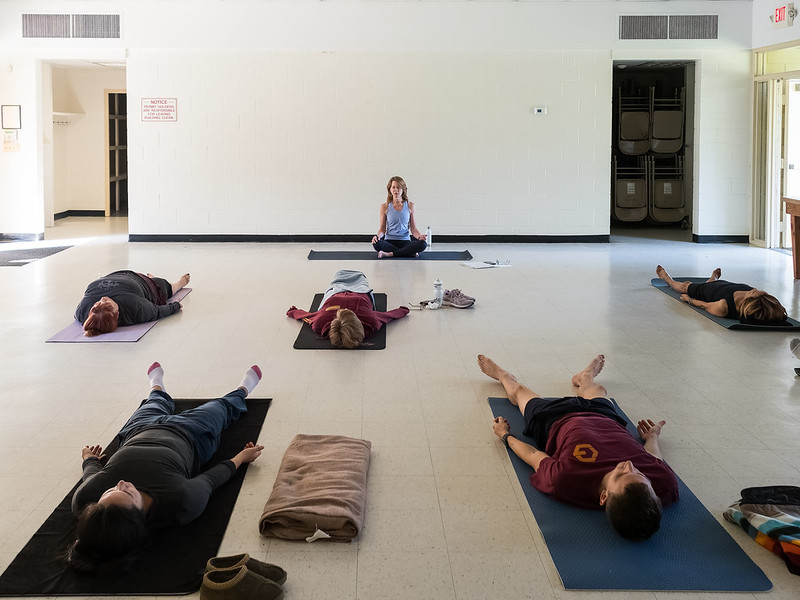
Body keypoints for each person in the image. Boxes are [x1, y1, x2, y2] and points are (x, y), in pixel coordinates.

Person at [69, 362, 265, 573]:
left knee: (153, 402)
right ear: (139, 516)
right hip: (192, 435)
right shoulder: (182, 502)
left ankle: (156, 385)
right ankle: (243, 388)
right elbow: (211, 479)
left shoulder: (86, 500)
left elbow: (90, 476)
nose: (120, 483)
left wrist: (89, 459)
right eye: (127, 493)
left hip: (138, 430)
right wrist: (241, 458)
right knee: (222, 407)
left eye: (110, 491)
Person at [478, 353, 678, 541]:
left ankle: (502, 375)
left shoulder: (565, 479)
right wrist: (652, 437)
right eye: (640, 473)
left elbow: (533, 455)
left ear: (603, 496)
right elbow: (655, 458)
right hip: (605, 417)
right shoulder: (663, 483)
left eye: (620, 474)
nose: (628, 464)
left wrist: (504, 435)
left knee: (519, 393)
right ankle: (585, 377)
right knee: (598, 390)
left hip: (553, 420)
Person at [286, 269, 409, 348]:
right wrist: (403, 310)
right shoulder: (371, 322)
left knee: (339, 275)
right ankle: (355, 276)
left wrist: (293, 312)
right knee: (360, 276)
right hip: (360, 290)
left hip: (336, 289)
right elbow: (387, 316)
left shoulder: (320, 323)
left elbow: (307, 317)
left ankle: (341, 276)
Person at [656, 265, 788, 325]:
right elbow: (777, 310)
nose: (754, 289)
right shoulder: (757, 297)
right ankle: (713, 278)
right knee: (712, 283)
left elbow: (705, 305)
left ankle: (667, 278)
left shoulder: (724, 307)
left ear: (751, 302)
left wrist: (689, 300)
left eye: (753, 293)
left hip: (710, 292)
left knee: (685, 286)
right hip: (727, 286)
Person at [75, 270, 191, 336]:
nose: (103, 299)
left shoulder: (82, 312)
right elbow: (158, 311)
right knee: (168, 288)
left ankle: (151, 278)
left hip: (116, 274)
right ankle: (176, 283)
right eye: (107, 304)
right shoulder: (135, 307)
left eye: (97, 304)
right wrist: (176, 306)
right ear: (117, 314)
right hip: (147, 285)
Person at [371, 176, 428, 258]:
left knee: (423, 244)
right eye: (393, 187)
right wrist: (377, 237)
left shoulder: (410, 205)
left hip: (405, 241)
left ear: (403, 190)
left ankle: (389, 254)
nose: (396, 190)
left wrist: (419, 237)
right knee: (377, 244)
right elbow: (382, 229)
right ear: (390, 189)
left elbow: (413, 228)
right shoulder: (385, 206)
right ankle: (408, 252)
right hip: (389, 241)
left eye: (398, 187)